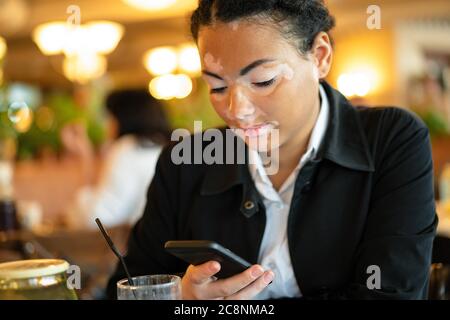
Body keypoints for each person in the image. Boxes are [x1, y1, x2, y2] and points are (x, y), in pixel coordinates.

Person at [107, 0, 438, 299]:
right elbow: (128, 286)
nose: (237, 110)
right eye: (217, 86)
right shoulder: (187, 160)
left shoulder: (391, 139)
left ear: (320, 57)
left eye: (263, 81)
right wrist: (182, 299)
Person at [61, 89, 171, 229]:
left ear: (123, 118)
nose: (106, 125)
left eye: (108, 117)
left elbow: (96, 219)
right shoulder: (169, 147)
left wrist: (85, 159)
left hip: (141, 246)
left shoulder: (128, 148)